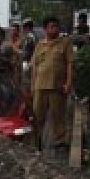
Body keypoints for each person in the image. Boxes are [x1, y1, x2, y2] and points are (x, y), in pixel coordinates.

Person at [30, 17, 75, 152]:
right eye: (51, 27)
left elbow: (70, 64)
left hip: (57, 86)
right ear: (45, 29)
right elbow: (34, 66)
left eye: (56, 26)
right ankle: (35, 141)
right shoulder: (39, 45)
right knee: (37, 115)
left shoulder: (65, 43)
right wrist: (33, 86)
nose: (54, 29)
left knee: (58, 115)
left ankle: (59, 141)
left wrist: (68, 83)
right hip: (40, 87)